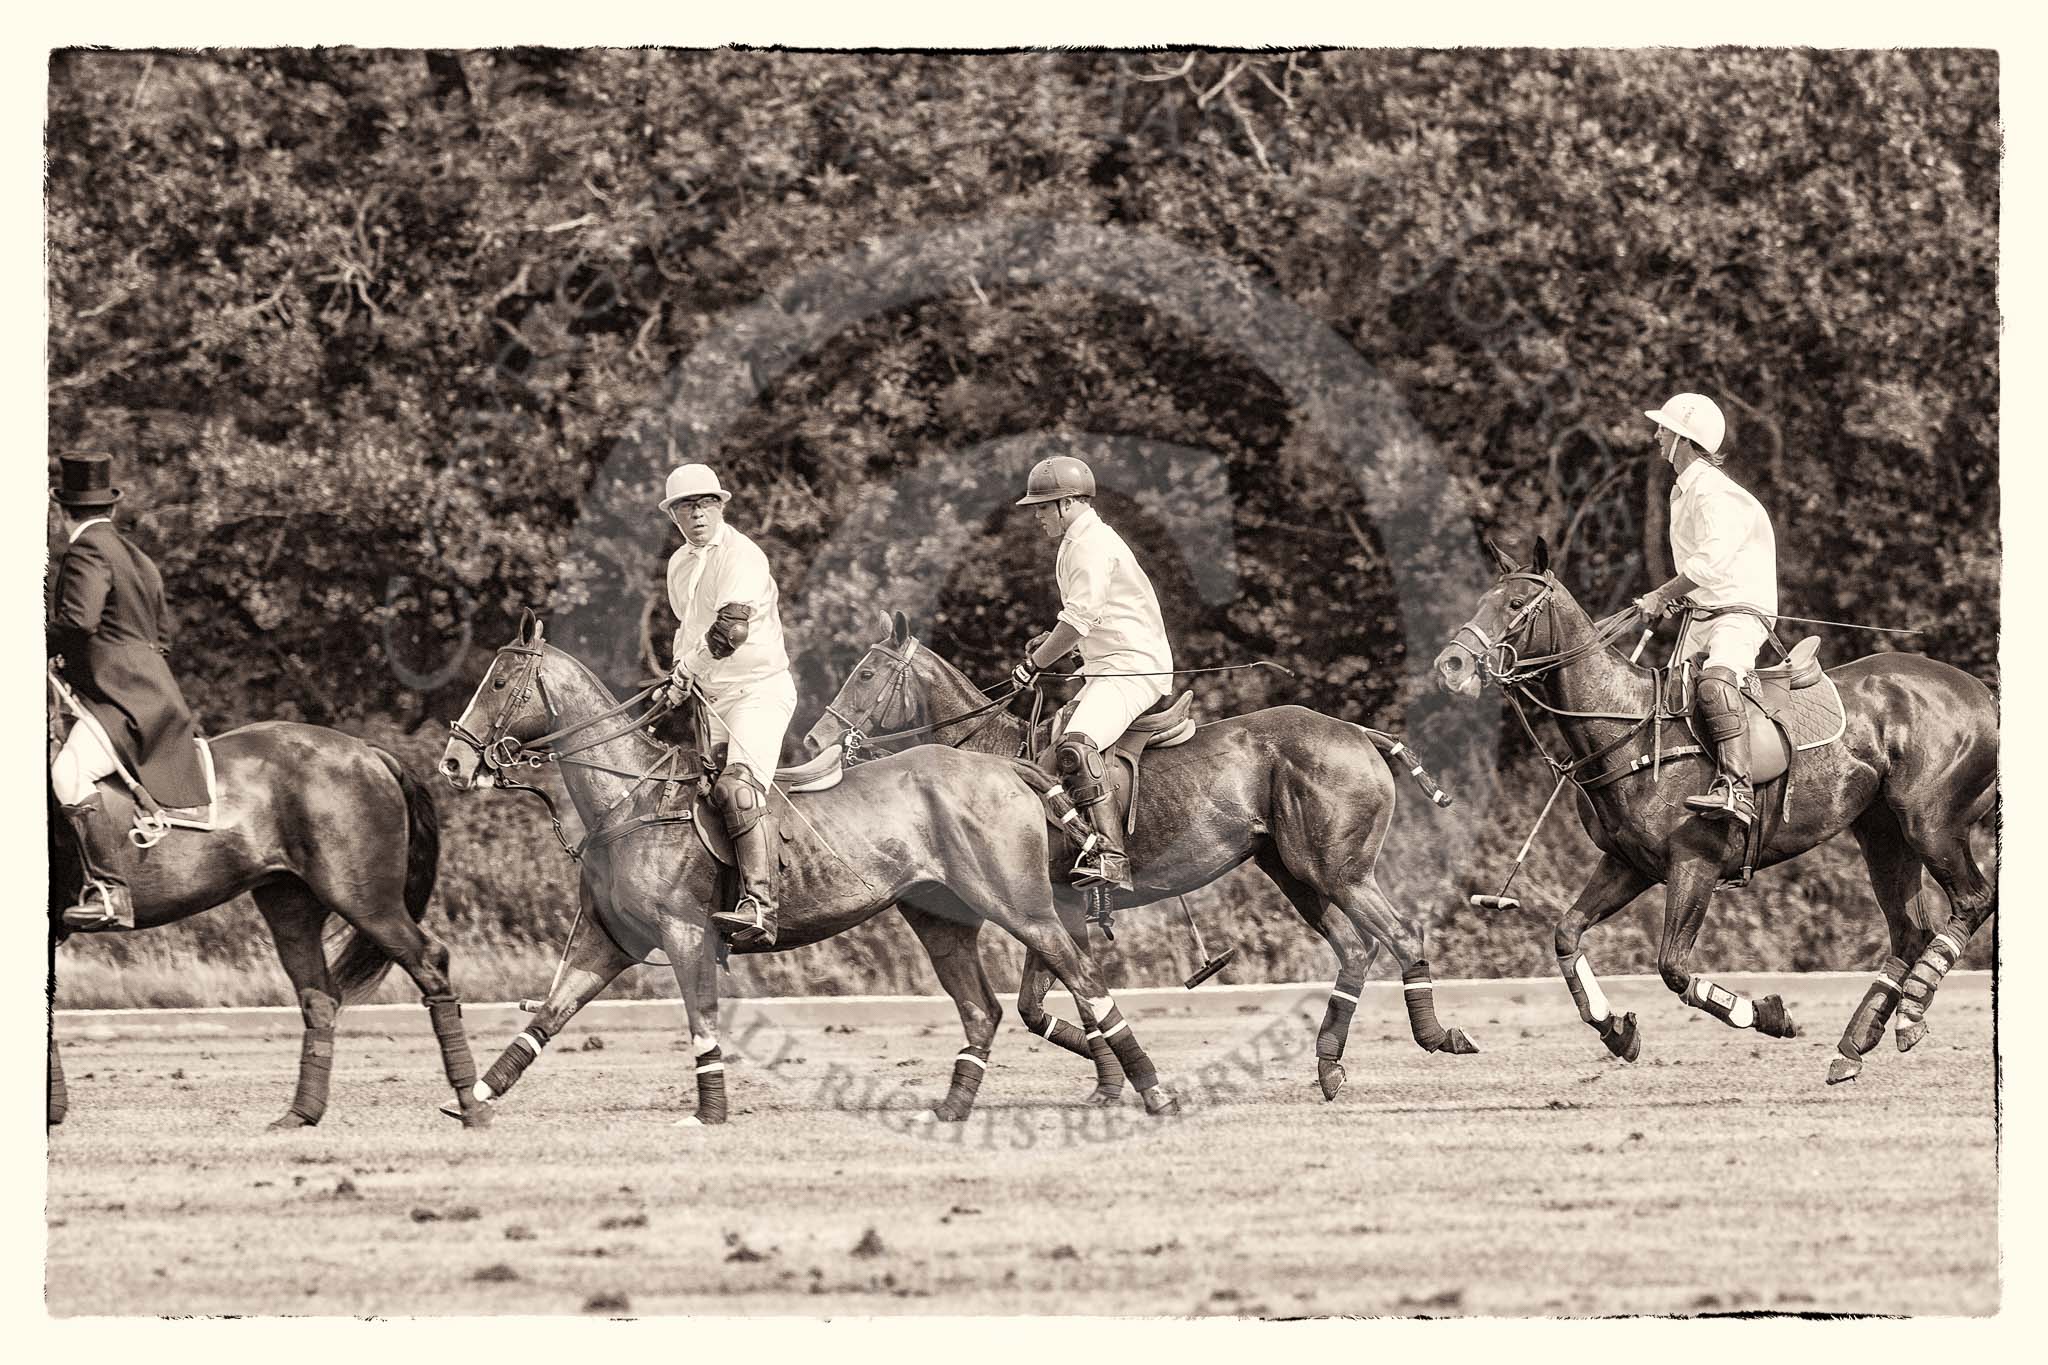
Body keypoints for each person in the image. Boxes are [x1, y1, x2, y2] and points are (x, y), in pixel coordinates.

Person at [47, 452, 209, 929]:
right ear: (112, 509)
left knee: (68, 772)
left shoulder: (87, 551)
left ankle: (110, 892)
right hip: (154, 695)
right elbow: (162, 639)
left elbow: (79, 621)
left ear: (62, 512)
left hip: (122, 702)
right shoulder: (138, 557)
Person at [1011, 455, 1174, 891]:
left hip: (1131, 670)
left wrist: (1036, 663)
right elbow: (1087, 620)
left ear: (1067, 503)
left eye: (1043, 507)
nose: (1038, 516)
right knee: (1048, 751)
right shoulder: (1077, 541)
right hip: (1106, 669)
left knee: (1076, 746)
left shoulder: (1090, 544)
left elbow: (1079, 621)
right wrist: (1052, 642)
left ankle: (1111, 857)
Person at [660, 463, 795, 947]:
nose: (696, 513)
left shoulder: (742, 555)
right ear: (673, 514)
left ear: (720, 505)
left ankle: (760, 907)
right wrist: (676, 677)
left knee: (738, 790)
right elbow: (690, 630)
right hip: (710, 700)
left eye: (705, 503)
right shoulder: (679, 564)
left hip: (757, 691)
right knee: (692, 795)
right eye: (685, 506)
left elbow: (729, 630)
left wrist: (688, 670)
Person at [1631, 393, 1779, 827]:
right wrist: (1677, 598)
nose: (1657, 434)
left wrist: (1662, 594)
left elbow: (1710, 563)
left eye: (1664, 429)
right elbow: (1703, 571)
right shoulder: (1686, 489)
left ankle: (1738, 789)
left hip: (1739, 612)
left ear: (1683, 439)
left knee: (1714, 684)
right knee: (1668, 703)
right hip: (1704, 614)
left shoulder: (1715, 492)